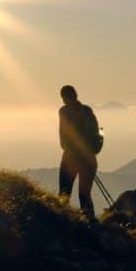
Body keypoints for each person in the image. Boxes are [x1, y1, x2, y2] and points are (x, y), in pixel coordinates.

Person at [58, 85, 101, 222]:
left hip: (71, 158)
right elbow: (99, 131)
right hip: (89, 159)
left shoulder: (64, 112)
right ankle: (90, 223)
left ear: (64, 98)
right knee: (84, 194)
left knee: (64, 194)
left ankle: (62, 222)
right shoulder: (87, 111)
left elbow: (63, 136)